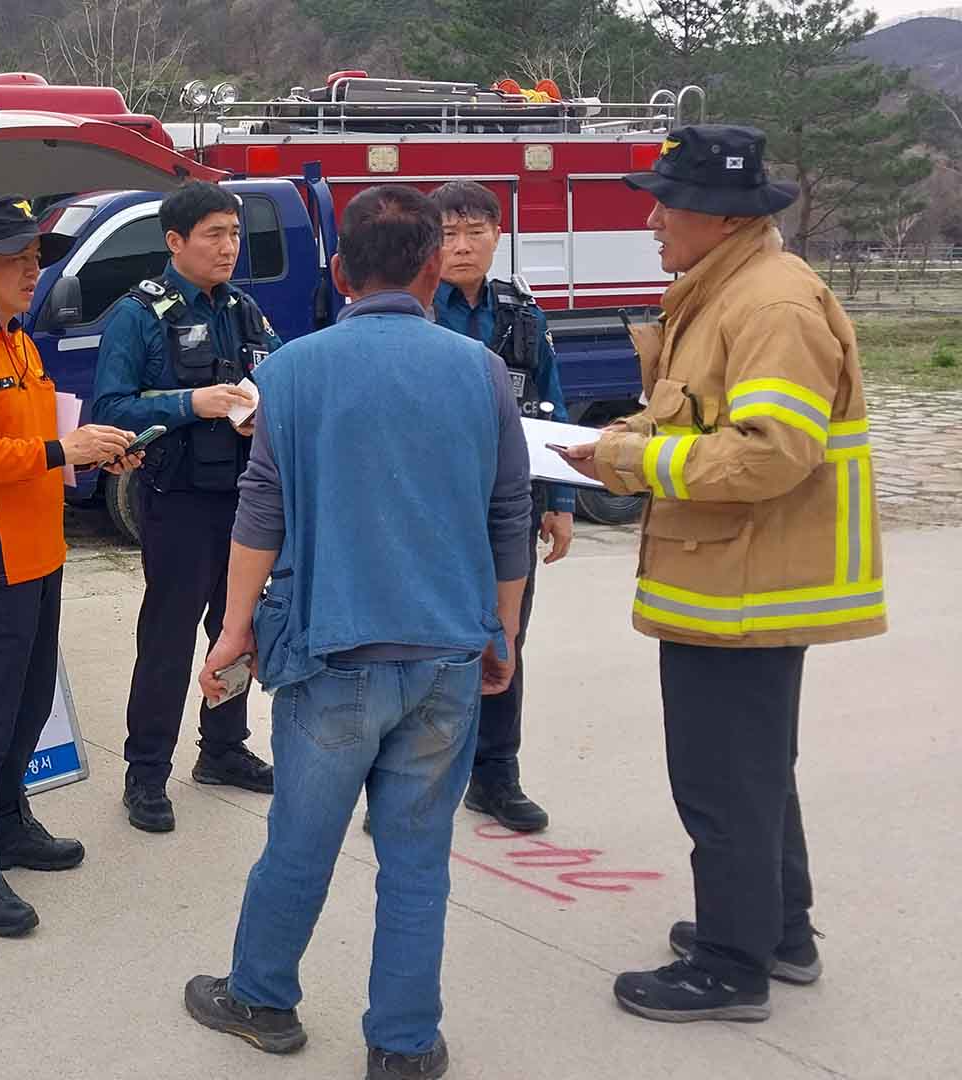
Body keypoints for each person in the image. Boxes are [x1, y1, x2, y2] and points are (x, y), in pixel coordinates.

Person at [182, 184, 531, 1080]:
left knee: (299, 842)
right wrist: (506, 632)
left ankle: (262, 1000)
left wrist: (233, 631)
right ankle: (404, 1045)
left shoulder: (291, 370)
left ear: (338, 274)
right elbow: (508, 515)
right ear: (429, 270)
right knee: (417, 861)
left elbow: (260, 510)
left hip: (331, 655)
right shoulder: (479, 369)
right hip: (449, 652)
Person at [558, 124, 886, 1023]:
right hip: (738, 578)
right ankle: (778, 931)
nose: (653, 220)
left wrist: (631, 464)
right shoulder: (729, 290)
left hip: (747, 586)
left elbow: (770, 455)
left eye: (664, 204)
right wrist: (630, 436)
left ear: (716, 216)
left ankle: (731, 965)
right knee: (755, 771)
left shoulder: (769, 305)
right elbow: (703, 416)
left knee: (722, 779)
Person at [0, 194, 141, 938]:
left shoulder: (19, 343)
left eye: (36, 258)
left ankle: (8, 822)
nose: (33, 272)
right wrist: (60, 452)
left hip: (40, 554)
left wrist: (97, 445)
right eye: (19, 260)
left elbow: (45, 436)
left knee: (27, 705)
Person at [92, 181, 282, 834]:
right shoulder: (138, 315)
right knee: (167, 642)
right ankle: (145, 774)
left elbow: (277, 377)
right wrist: (188, 403)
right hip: (177, 505)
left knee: (237, 631)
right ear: (175, 242)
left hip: (246, 505)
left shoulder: (245, 311)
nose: (229, 247)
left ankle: (223, 749)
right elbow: (109, 409)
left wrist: (262, 414)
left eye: (234, 234)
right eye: (214, 235)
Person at [428, 179, 572, 833]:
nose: (461, 246)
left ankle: (496, 776)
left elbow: (552, 405)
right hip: (426, 508)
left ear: (497, 235)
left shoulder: (521, 311)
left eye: (474, 232)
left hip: (510, 507)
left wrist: (562, 499)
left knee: (505, 640)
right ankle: (414, 784)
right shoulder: (409, 308)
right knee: (423, 645)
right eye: (449, 233)